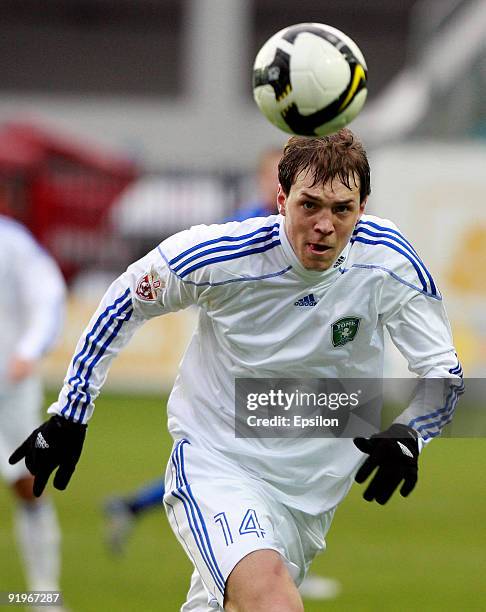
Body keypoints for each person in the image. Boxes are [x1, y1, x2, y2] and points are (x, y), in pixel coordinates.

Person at [9, 129, 462, 612]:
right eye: (309, 206)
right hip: (217, 463)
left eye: (341, 209)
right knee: (274, 602)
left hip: (310, 500)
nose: (325, 225)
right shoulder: (225, 254)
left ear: (363, 207)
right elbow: (128, 298)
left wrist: (411, 433)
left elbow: (442, 372)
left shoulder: (389, 261)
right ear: (282, 200)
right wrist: (70, 413)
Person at [103, 144, 341, 601]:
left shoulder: (315, 231)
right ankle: (264, 567)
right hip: (250, 377)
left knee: (321, 446)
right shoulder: (245, 229)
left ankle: (257, 561)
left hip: (292, 376)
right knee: (251, 463)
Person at [0, 214, 66, 597]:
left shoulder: (13, 242)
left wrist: (28, 350)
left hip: (10, 386)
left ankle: (43, 593)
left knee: (29, 485)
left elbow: (48, 296)